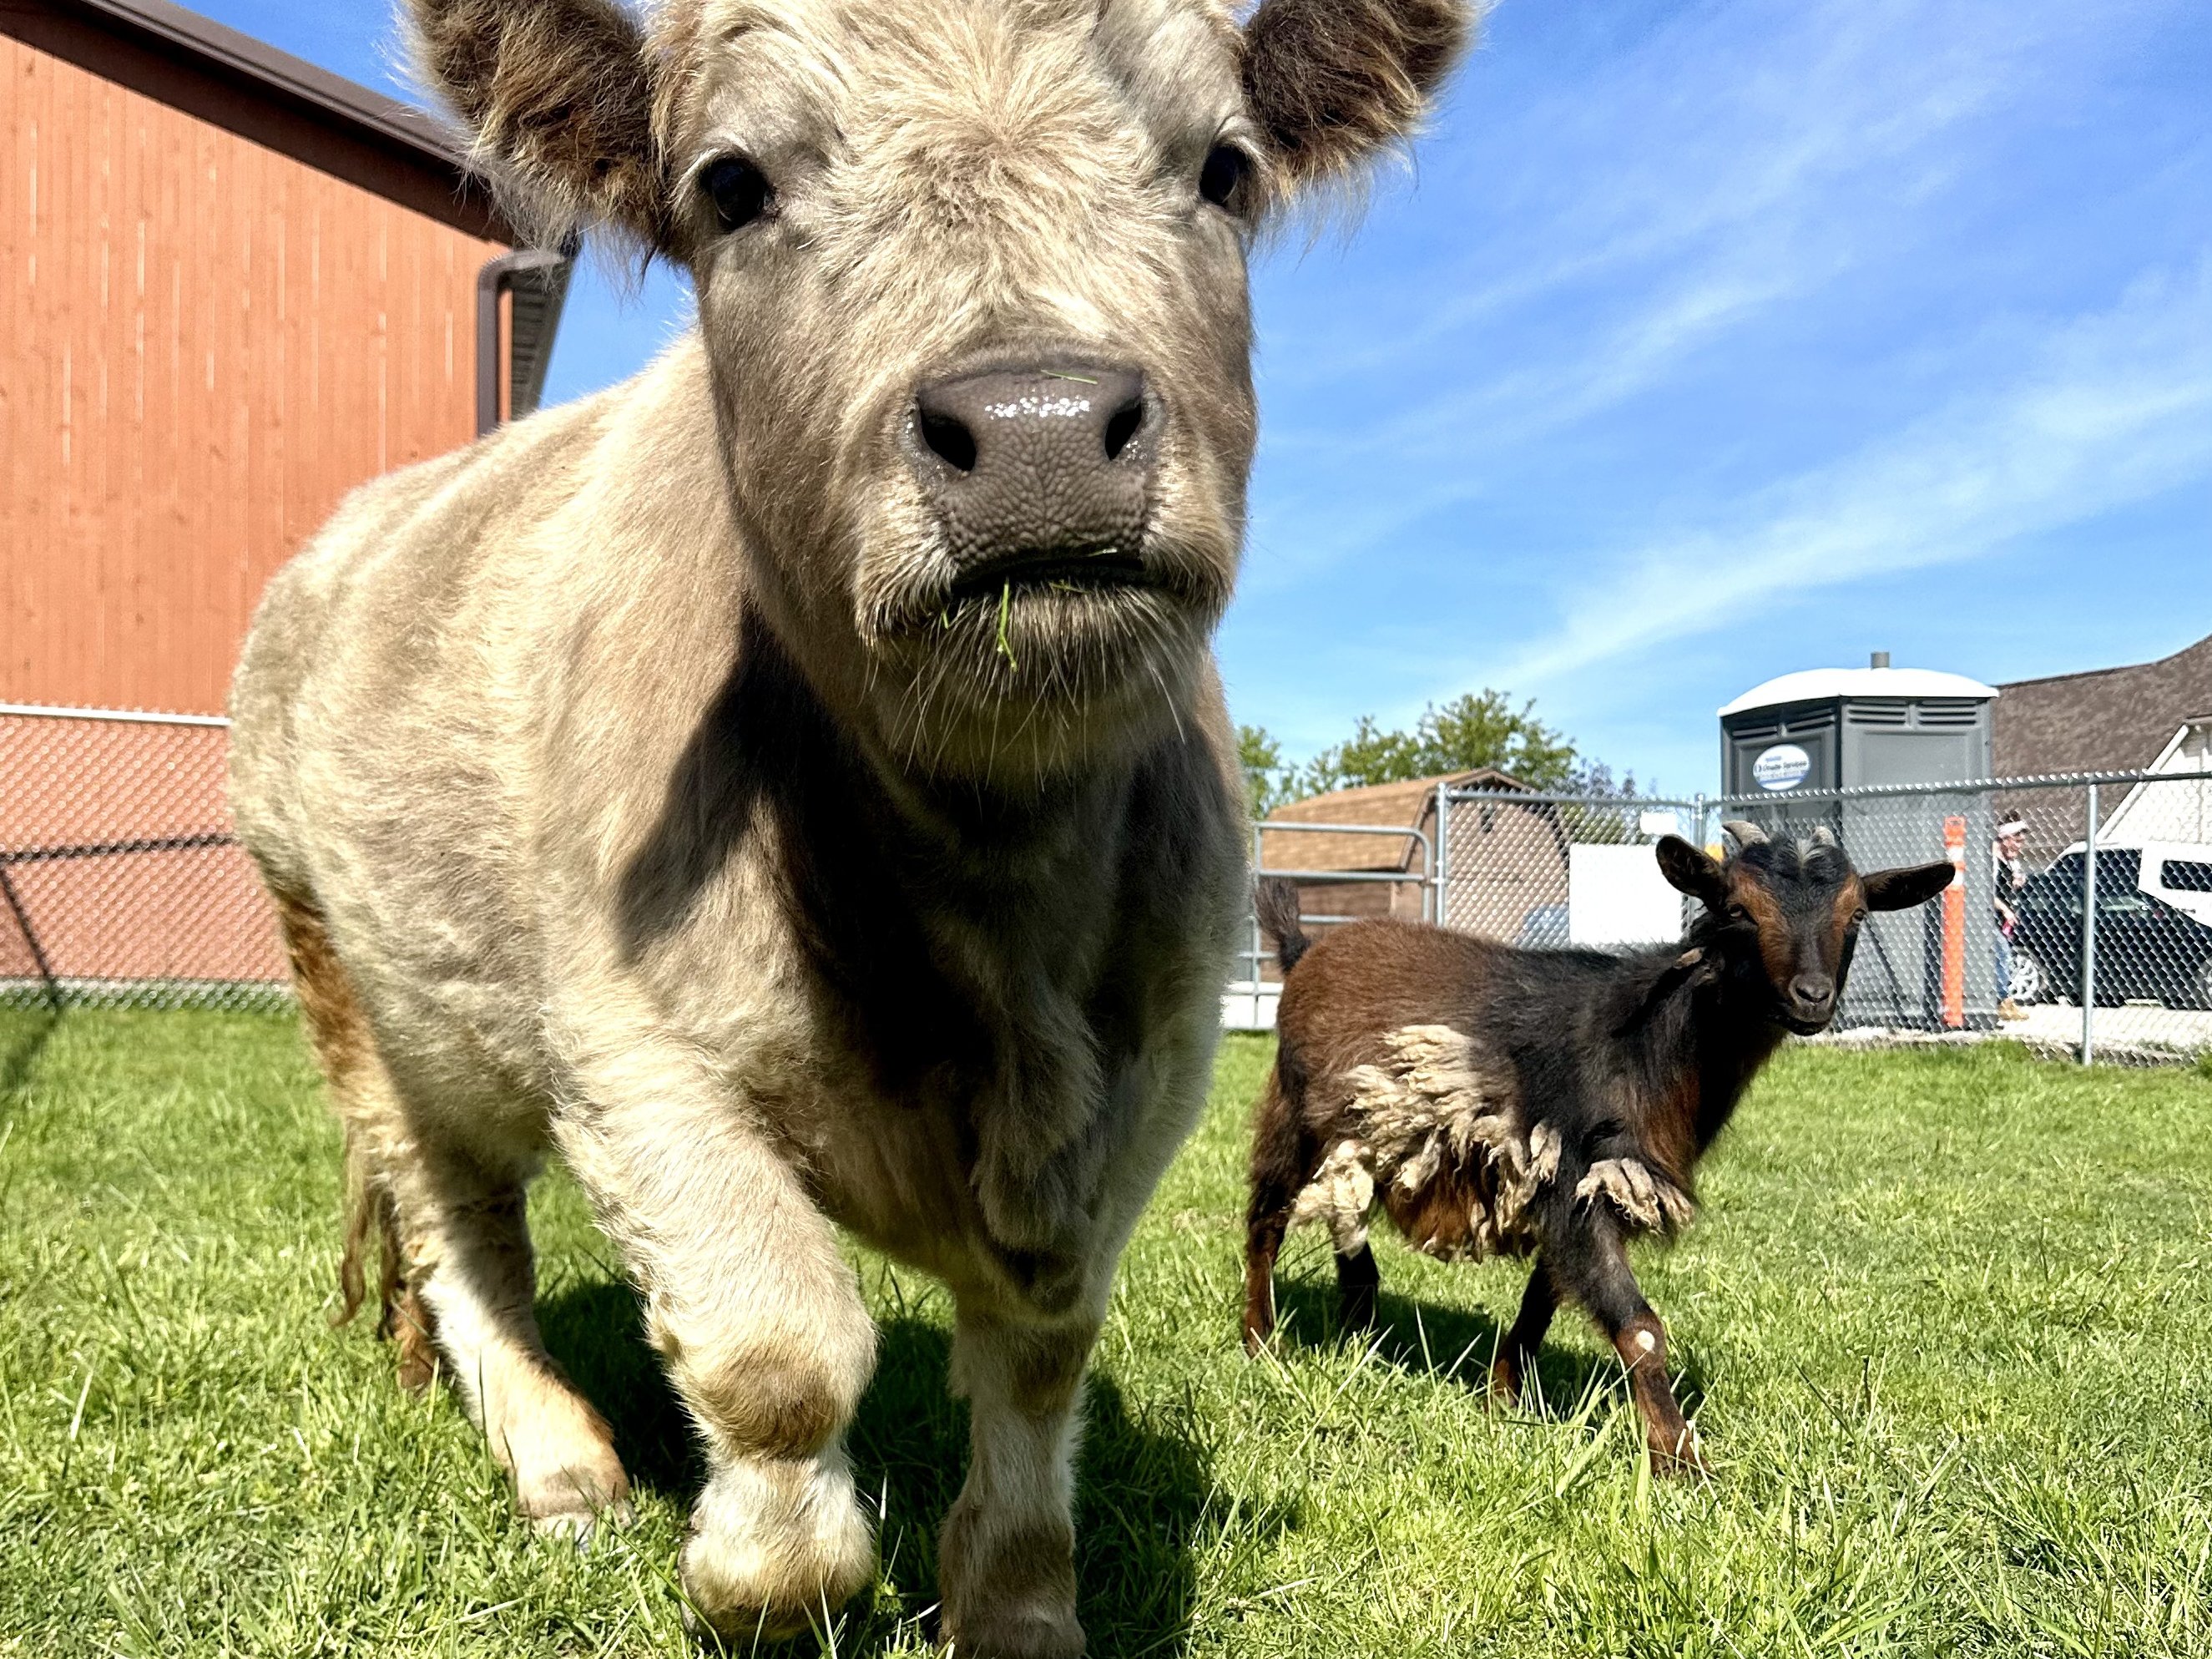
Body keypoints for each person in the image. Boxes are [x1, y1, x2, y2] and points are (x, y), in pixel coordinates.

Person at [1993, 818, 2028, 1019]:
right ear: (2005, 839)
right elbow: (1985, 891)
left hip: (2002, 920)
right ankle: (2003, 1001)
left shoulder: (2011, 861)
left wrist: (2016, 882)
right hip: (1989, 917)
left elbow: (2010, 885)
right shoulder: (1992, 860)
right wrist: (2005, 909)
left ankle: (2003, 1000)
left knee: (2003, 954)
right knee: (2003, 954)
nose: (2020, 845)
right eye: (2017, 841)